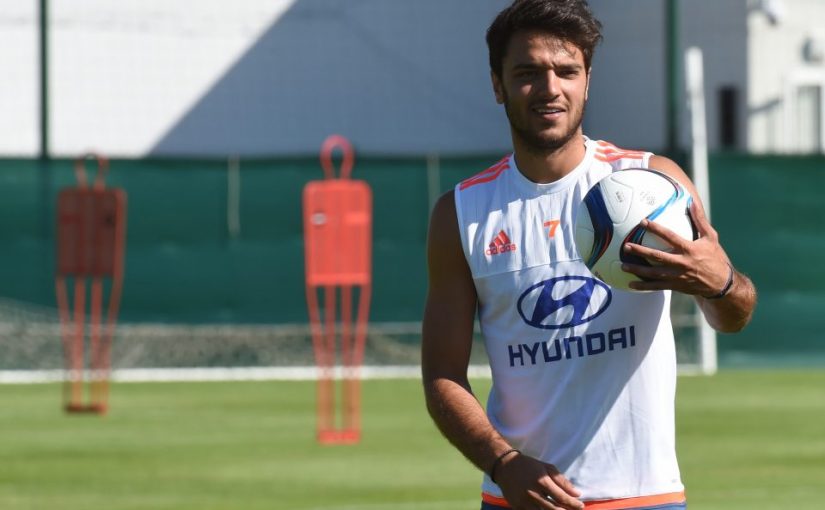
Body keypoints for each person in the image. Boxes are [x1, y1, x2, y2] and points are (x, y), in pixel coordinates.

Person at [420, 1, 757, 509]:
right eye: (528, 73)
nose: (550, 88)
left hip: (645, 497)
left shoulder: (653, 185)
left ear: (587, 81)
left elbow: (733, 318)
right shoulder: (462, 213)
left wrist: (722, 284)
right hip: (519, 497)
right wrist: (502, 463)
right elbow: (442, 376)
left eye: (566, 71)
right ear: (497, 85)